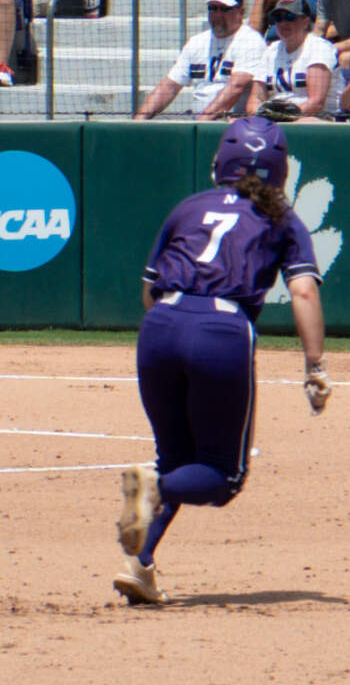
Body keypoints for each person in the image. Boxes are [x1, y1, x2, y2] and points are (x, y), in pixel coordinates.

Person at [114, 117, 329, 606]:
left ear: (219, 162)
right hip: (221, 331)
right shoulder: (282, 217)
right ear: (281, 171)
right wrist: (315, 366)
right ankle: (155, 486)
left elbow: (148, 291)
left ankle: (139, 565)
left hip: (160, 326)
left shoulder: (189, 207)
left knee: (175, 457)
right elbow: (303, 292)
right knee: (220, 476)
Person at [137, 0, 262, 118]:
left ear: (241, 12)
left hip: (234, 124)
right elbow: (169, 86)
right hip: (200, 120)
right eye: (213, 8)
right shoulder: (197, 42)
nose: (218, 14)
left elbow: (236, 87)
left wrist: (202, 121)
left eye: (225, 9)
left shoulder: (251, 41)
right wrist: (139, 120)